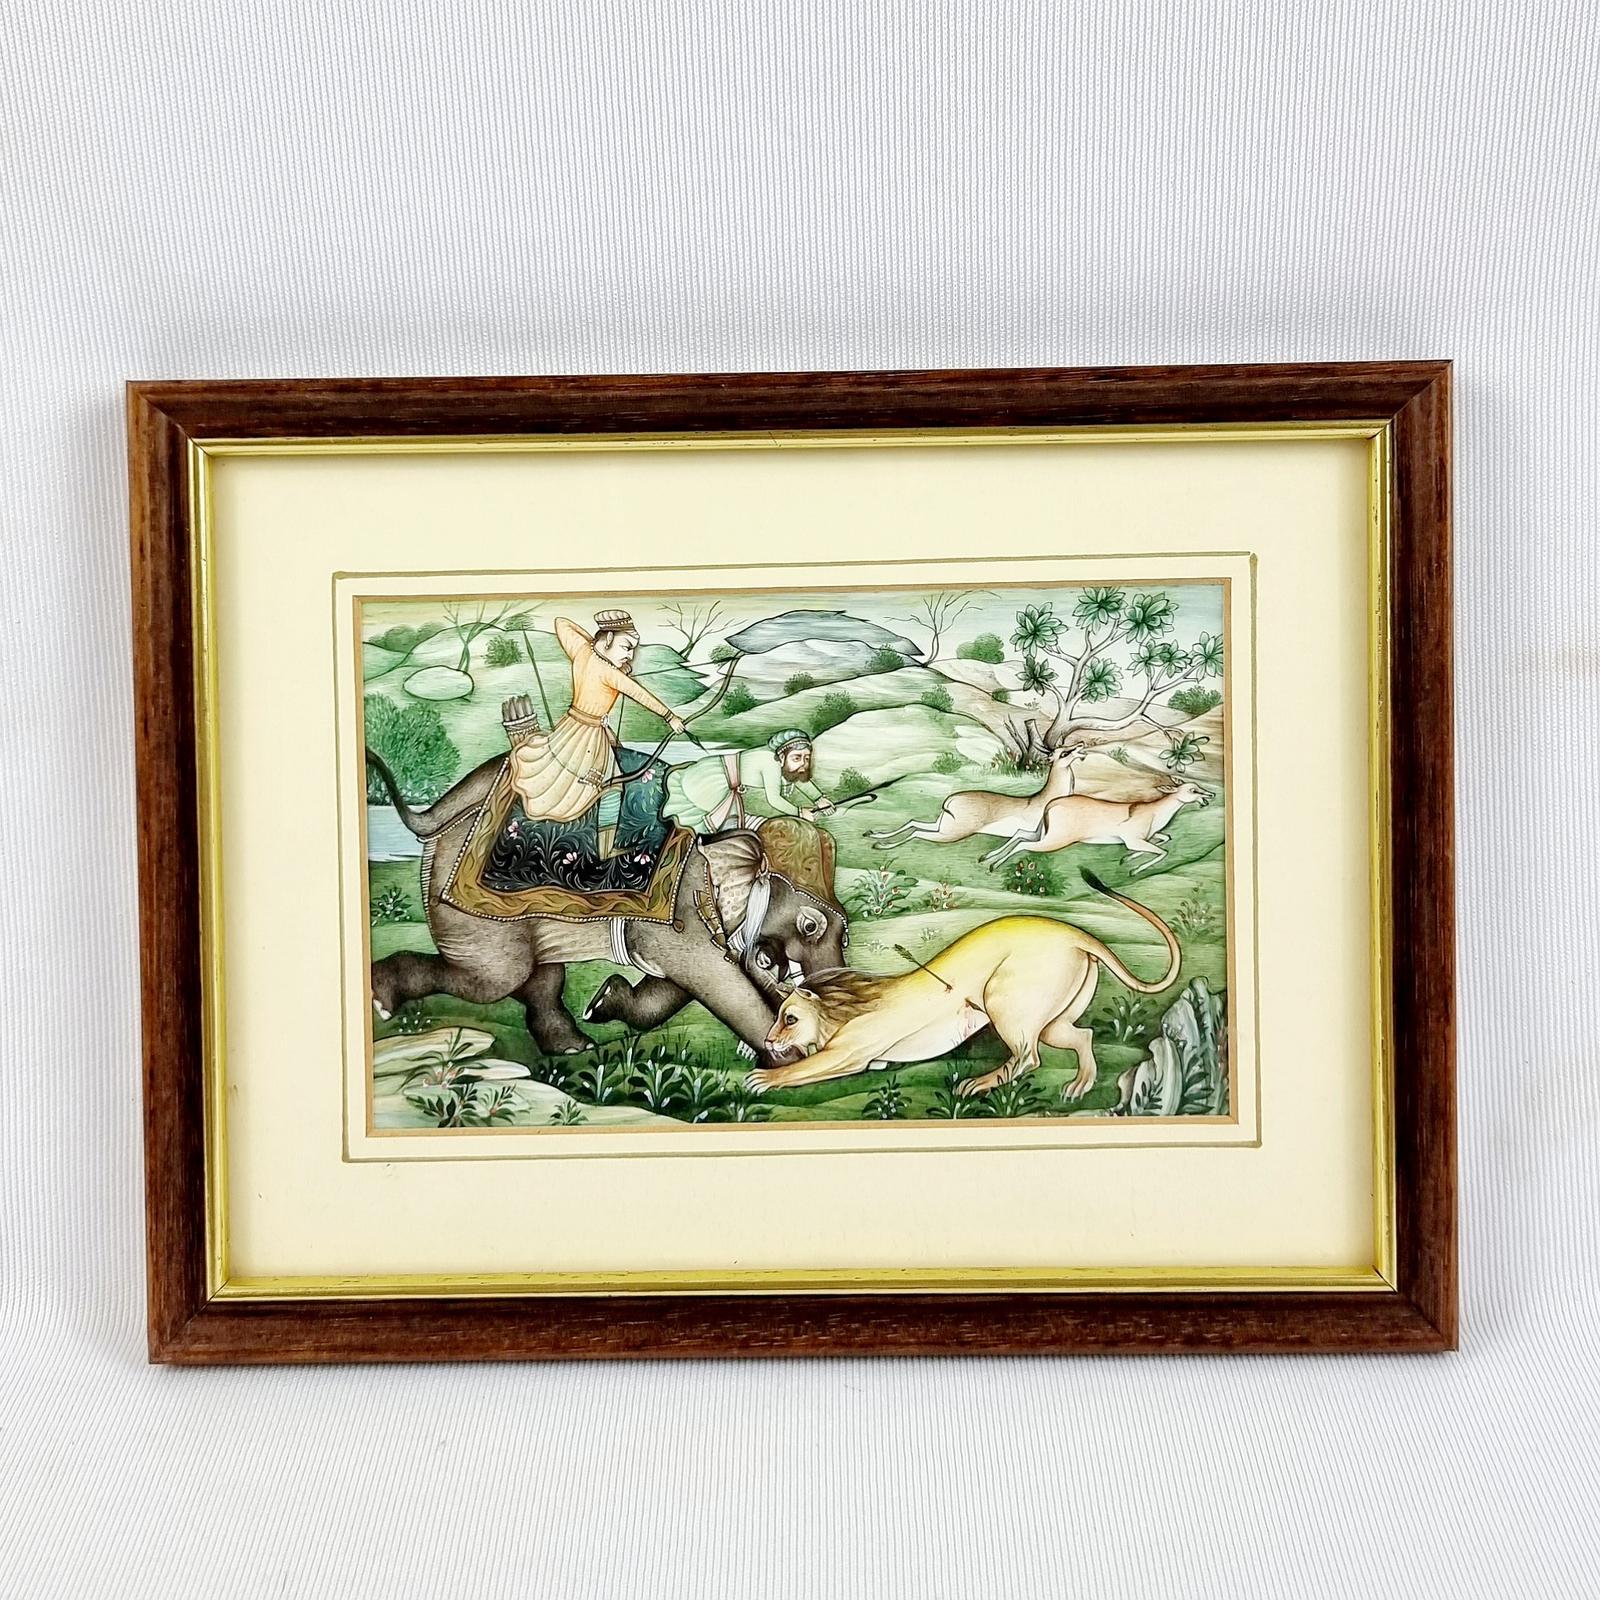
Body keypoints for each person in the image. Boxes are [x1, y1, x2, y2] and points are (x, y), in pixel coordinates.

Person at [508, 610, 686, 857]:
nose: (630, 656)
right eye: (626, 647)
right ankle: (604, 848)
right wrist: (669, 716)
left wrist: (596, 645)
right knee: (610, 787)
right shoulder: (608, 672)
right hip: (587, 737)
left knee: (590, 782)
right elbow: (639, 694)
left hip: (571, 727)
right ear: (609, 638)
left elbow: (561, 622)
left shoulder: (582, 651)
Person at [667, 728, 835, 835]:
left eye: (806, 758)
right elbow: (774, 799)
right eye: (797, 758)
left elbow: (798, 778)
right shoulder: (770, 764)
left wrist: (819, 799)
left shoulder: (784, 764)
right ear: (782, 757)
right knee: (726, 830)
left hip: (724, 783)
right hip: (711, 781)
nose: (803, 764)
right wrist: (799, 813)